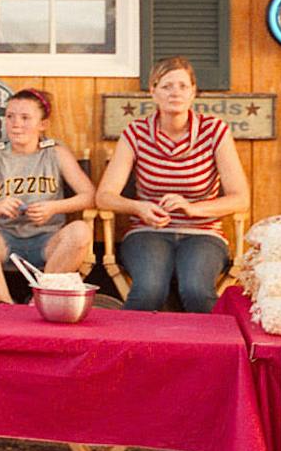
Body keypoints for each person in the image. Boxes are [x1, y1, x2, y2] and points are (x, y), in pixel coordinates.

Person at [94, 55, 249, 314]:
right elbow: (104, 196)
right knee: (149, 290)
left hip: (203, 233)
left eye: (182, 86)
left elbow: (240, 198)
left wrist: (193, 208)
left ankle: (208, 352)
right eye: (166, 86)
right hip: (147, 232)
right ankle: (133, 351)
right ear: (153, 92)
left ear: (193, 92)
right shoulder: (136, 133)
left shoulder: (215, 132)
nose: (175, 93)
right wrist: (140, 208)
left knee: (197, 290)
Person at [0, 88, 94, 303]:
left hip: (47, 240)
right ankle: (6, 304)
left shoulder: (55, 153)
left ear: (42, 124)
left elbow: (89, 196)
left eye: (25, 118)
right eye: (10, 117)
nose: (16, 123)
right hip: (1, 240)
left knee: (80, 231)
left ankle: (39, 301)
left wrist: (53, 208)